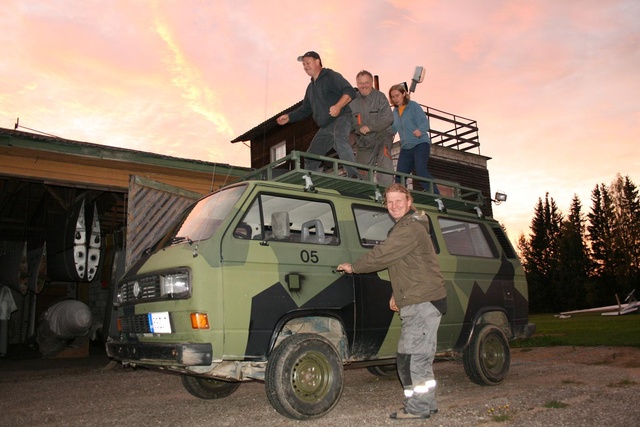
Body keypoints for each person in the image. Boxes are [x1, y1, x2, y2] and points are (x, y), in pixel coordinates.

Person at [337, 183, 446, 420]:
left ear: (409, 201)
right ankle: (427, 404)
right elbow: (404, 265)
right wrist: (398, 293)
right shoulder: (408, 226)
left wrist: (354, 267)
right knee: (420, 357)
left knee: (410, 359)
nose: (394, 206)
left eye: (398, 201)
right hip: (418, 299)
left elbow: (384, 254)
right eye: (389, 202)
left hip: (422, 302)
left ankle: (417, 409)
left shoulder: (410, 228)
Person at [276, 51, 359, 178]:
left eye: (308, 63)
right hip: (325, 126)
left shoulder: (331, 76)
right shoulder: (311, 88)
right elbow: (305, 109)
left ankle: (354, 176)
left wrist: (338, 106)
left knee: (340, 142)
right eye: (303, 64)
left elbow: (350, 91)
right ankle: (308, 179)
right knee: (311, 155)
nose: (305, 66)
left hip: (341, 118)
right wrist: (289, 117)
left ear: (317, 61)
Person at [388, 83, 439, 194]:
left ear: (403, 94)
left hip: (420, 143)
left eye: (397, 95)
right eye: (393, 97)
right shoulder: (395, 112)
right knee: (400, 176)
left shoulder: (413, 106)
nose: (395, 99)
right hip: (406, 147)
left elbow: (424, 122)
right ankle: (402, 196)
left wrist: (420, 130)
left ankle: (435, 194)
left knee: (420, 170)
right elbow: (393, 129)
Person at [349, 70, 395, 185]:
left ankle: (387, 192)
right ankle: (365, 195)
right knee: (361, 171)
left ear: (372, 83)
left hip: (382, 137)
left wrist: (370, 127)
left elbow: (388, 118)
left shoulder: (380, 97)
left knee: (384, 162)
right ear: (357, 83)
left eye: (367, 82)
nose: (364, 86)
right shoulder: (352, 101)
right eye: (361, 83)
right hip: (364, 142)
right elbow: (349, 122)